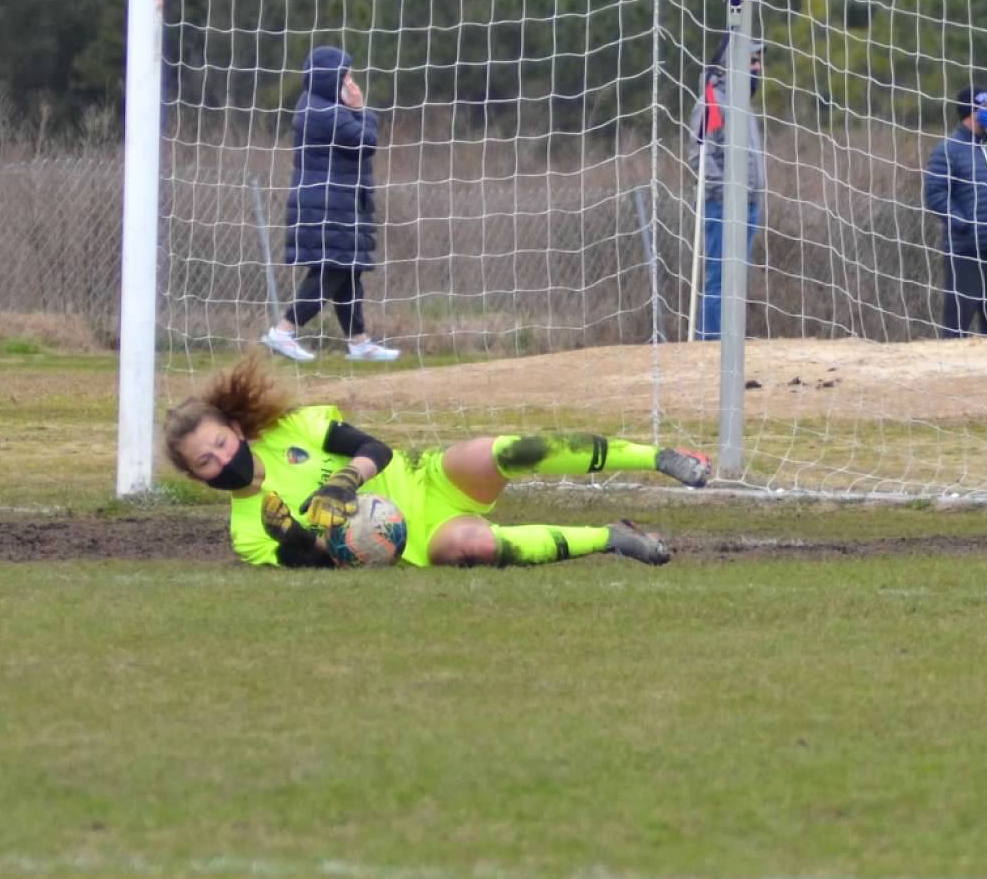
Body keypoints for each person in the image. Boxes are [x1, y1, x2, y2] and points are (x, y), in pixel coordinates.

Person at [165, 352, 713, 569]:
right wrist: (296, 540)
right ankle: (612, 537)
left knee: (507, 450)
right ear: (197, 478)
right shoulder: (248, 531)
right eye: (207, 463)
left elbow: (372, 448)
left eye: (220, 444)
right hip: (419, 541)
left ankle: (658, 455)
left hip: (426, 479)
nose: (222, 459)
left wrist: (344, 483)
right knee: (476, 546)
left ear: (236, 429)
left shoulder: (293, 428)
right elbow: (319, 567)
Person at [262, 44, 399, 364]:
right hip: (327, 207)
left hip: (338, 204)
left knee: (347, 273)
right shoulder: (322, 112)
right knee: (331, 271)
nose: (351, 83)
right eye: (346, 76)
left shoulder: (321, 107)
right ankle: (283, 331)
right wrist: (360, 108)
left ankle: (359, 342)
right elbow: (366, 142)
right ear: (329, 79)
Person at [924, 83, 987, 338]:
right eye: (985, 107)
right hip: (966, 250)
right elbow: (935, 194)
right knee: (957, 324)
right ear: (970, 112)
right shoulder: (947, 150)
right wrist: (961, 222)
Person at [692, 41, 766, 341]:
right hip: (723, 207)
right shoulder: (712, 101)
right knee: (719, 279)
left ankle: (730, 341)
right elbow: (700, 156)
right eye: (752, 60)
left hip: (748, 205)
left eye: (759, 61)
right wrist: (725, 193)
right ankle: (712, 342)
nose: (757, 68)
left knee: (736, 280)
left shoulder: (744, 107)